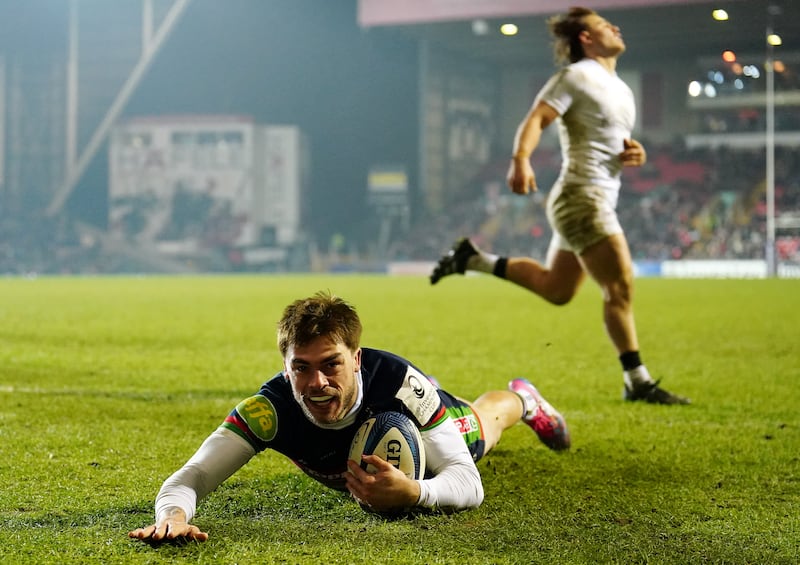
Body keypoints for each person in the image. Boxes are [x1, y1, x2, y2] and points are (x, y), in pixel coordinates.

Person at [128, 291, 570, 543]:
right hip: (384, 415)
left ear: (356, 359)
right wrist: (174, 516)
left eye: (331, 364)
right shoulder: (269, 410)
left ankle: (524, 400)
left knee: (480, 427)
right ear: (286, 367)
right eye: (301, 367)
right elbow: (192, 476)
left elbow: (468, 484)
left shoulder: (398, 383)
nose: (317, 382)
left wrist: (413, 492)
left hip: (407, 404)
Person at [430, 7, 689, 405]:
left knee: (557, 288)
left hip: (594, 195)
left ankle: (472, 259)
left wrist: (632, 153)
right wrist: (520, 158)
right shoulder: (576, 76)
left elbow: (607, 143)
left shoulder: (619, 87)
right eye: (604, 25)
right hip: (582, 198)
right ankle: (637, 380)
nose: (615, 27)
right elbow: (538, 118)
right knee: (619, 287)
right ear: (585, 38)